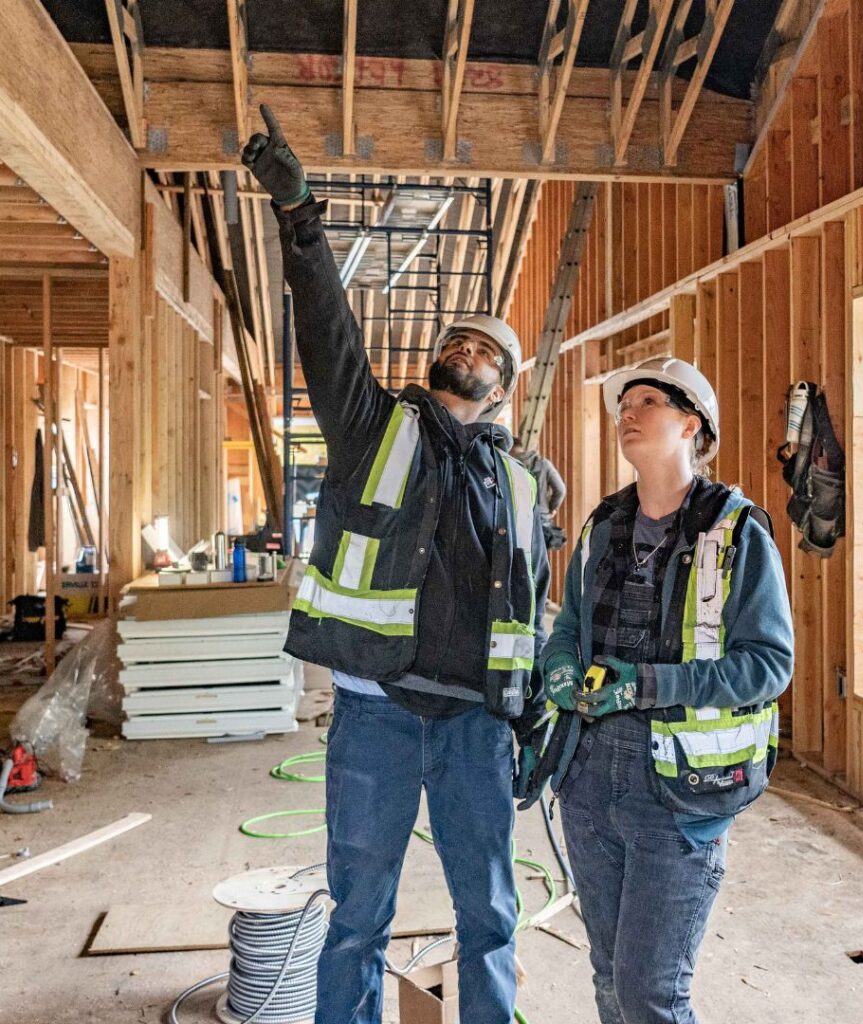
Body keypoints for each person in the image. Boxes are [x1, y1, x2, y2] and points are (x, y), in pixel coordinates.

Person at [242, 105, 549, 1024]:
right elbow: (328, 329)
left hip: (474, 733)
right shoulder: (373, 427)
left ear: (506, 385)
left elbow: (535, 609)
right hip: (375, 720)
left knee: (491, 918)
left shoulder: (529, 484)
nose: (468, 345)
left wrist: (536, 710)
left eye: (488, 346)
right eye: (459, 337)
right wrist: (302, 218)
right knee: (357, 921)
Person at [525, 357, 793, 1024]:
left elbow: (766, 665)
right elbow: (570, 625)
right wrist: (559, 664)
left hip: (680, 793)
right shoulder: (602, 524)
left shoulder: (735, 529)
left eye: (647, 401)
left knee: (652, 992)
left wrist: (644, 685)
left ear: (691, 423)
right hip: (588, 779)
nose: (629, 413)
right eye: (623, 404)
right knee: (610, 976)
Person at [510, 439, 567, 550]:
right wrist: (551, 508)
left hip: (516, 521)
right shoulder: (543, 463)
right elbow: (560, 490)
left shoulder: (507, 464)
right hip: (541, 520)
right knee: (540, 561)